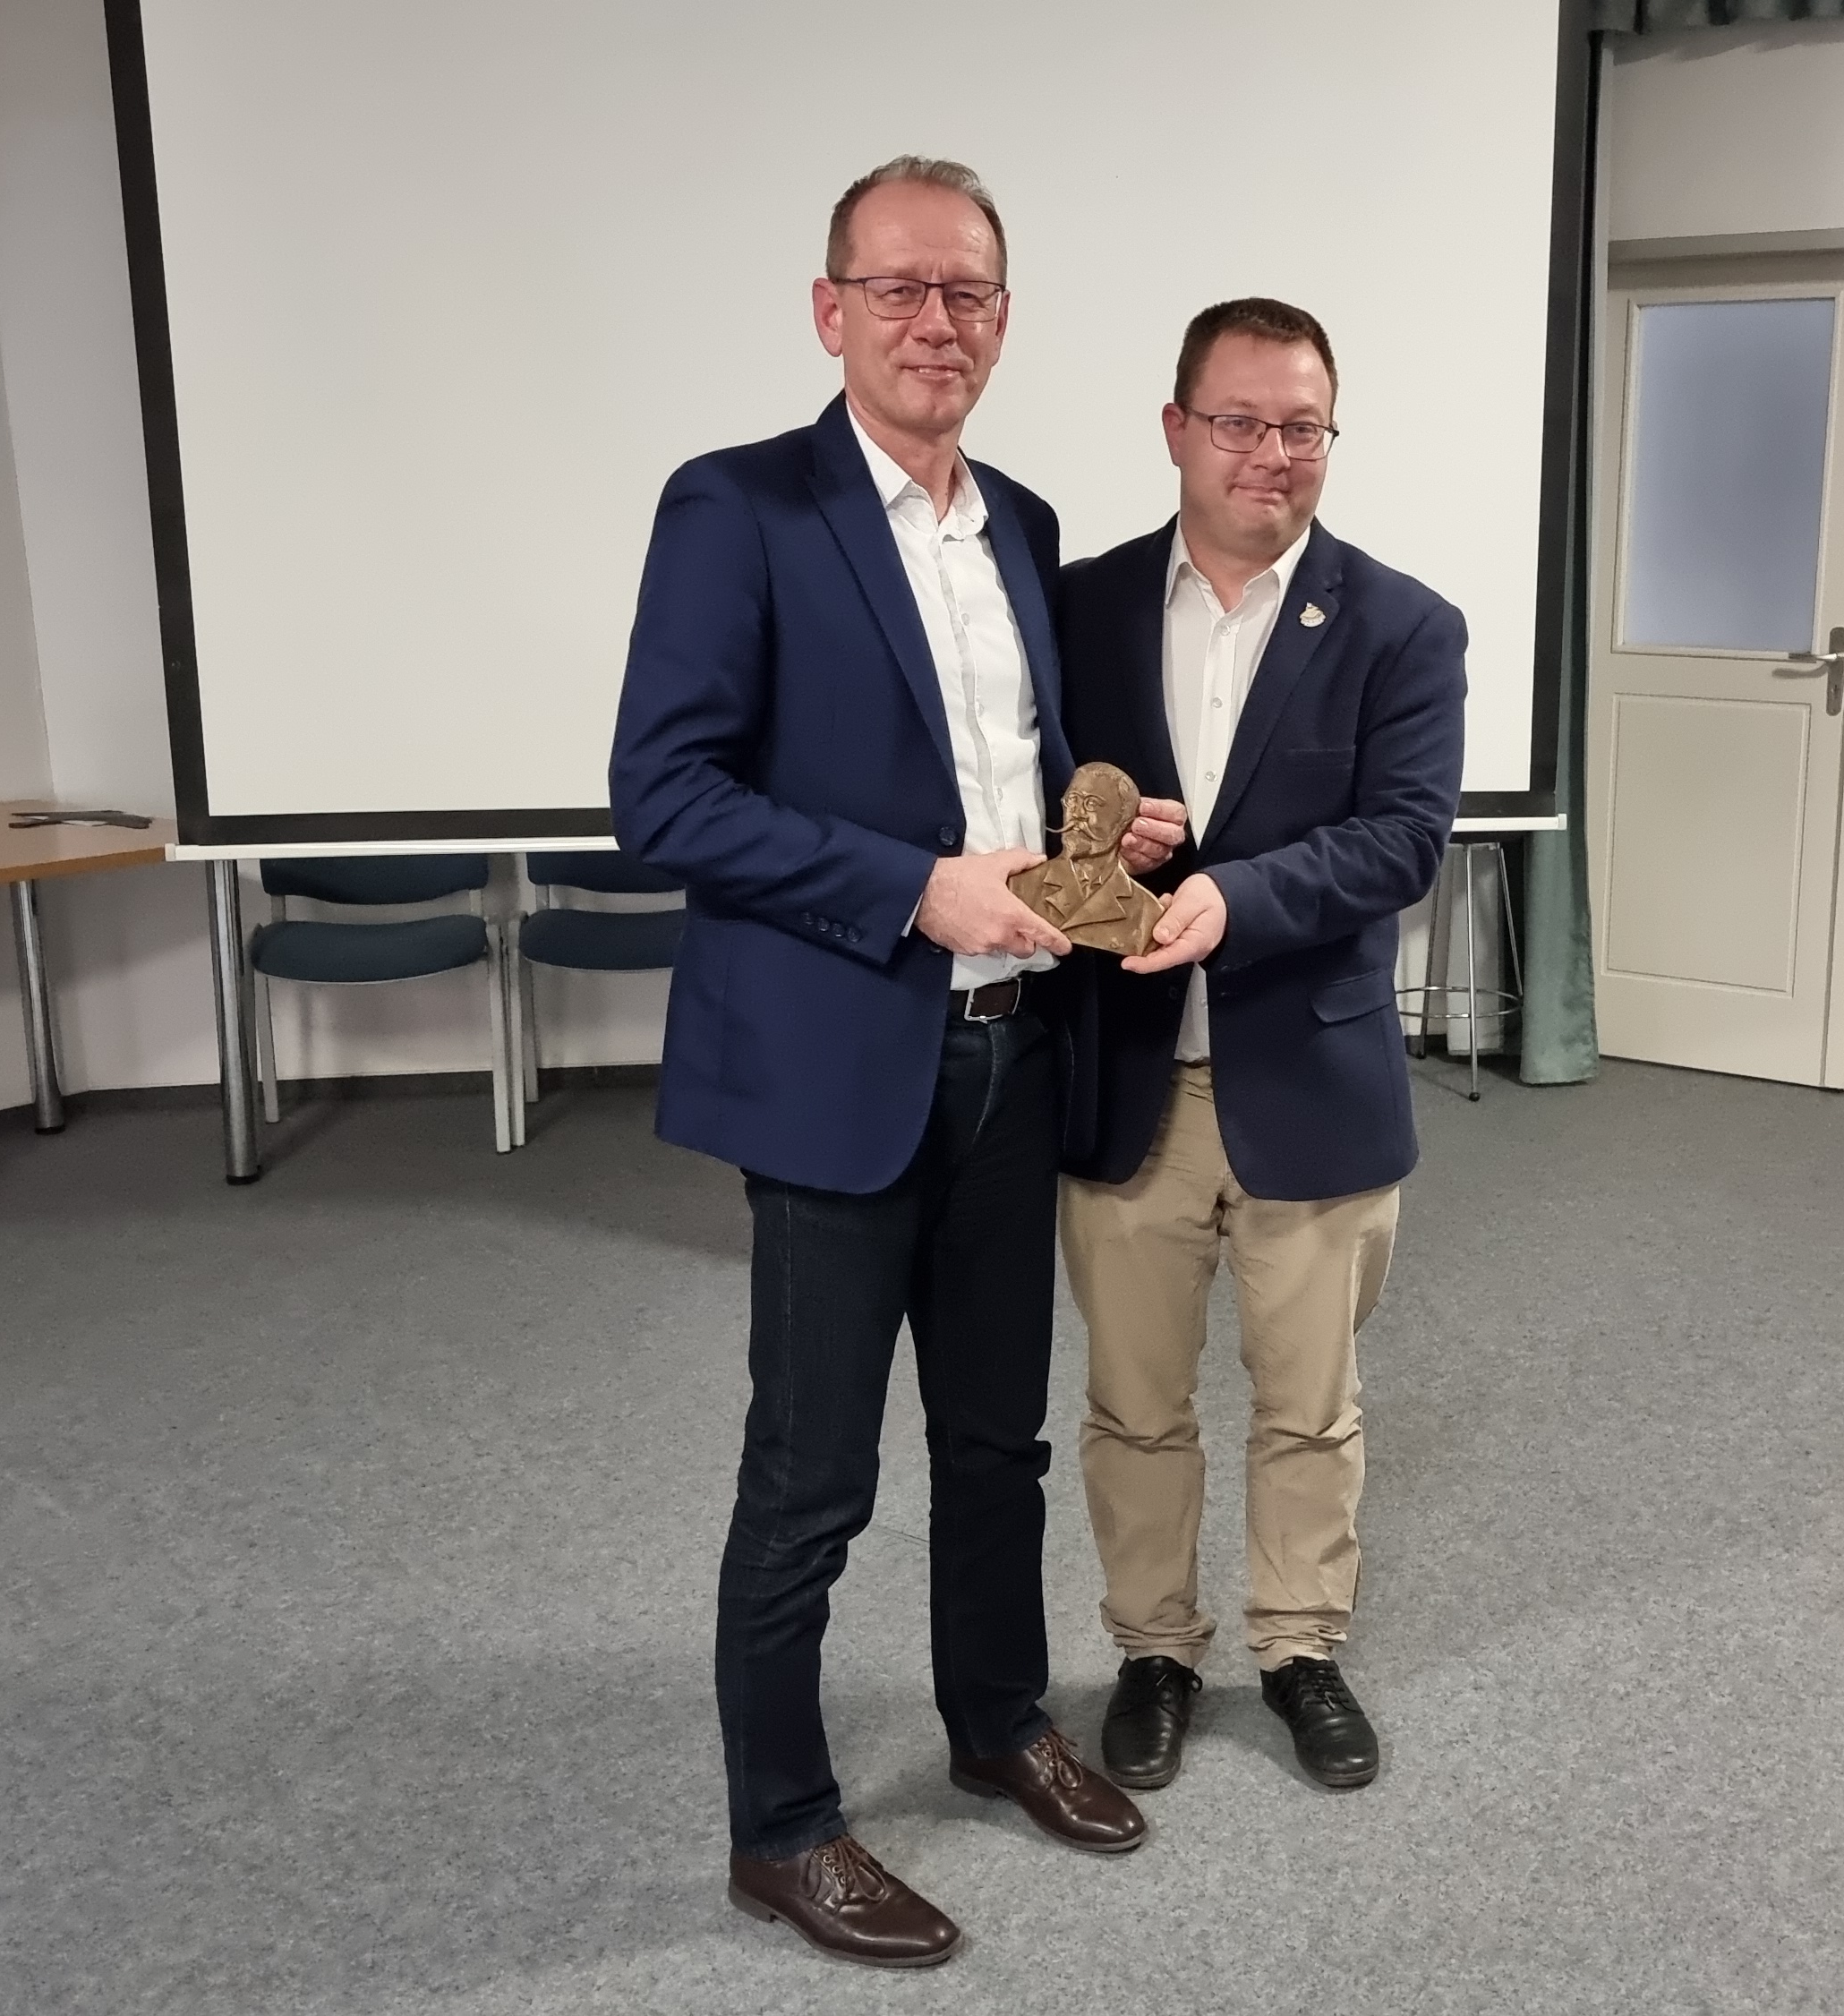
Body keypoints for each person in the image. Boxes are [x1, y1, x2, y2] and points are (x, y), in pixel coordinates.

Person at [609, 156, 1145, 1973]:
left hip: (1012, 1052)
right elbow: (664, 795)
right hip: (840, 1064)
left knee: (995, 1443)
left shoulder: (1025, 525)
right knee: (811, 1476)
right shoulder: (738, 506)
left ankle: (996, 1721)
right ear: (828, 309)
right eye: (900, 287)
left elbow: (1003, 779)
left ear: (1003, 318)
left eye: (967, 291)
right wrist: (913, 888)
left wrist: (1092, 845)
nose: (936, 322)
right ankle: (779, 1829)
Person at [1049, 298, 1464, 1795]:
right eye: (1238, 421)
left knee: (1309, 1405)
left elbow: (1404, 839)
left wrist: (1239, 897)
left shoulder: (1404, 624)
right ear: (1177, 429)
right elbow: (1020, 806)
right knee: (1134, 1405)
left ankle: (1300, 1649)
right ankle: (1155, 1648)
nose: (1270, 454)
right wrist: (1087, 842)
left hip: (1314, 1083)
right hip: (1124, 1083)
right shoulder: (1075, 607)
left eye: (1302, 427)